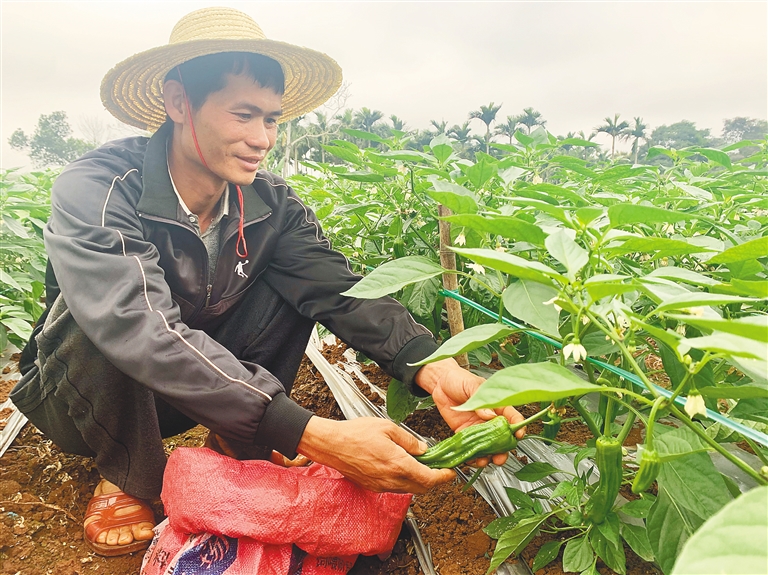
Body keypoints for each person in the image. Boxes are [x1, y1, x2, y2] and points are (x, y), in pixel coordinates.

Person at [10, 6, 525, 557]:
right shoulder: (100, 186)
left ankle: (240, 433)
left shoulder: (271, 204)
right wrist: (309, 433)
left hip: (199, 391)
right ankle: (126, 473)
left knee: (296, 282)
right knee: (105, 309)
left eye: (272, 119)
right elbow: (138, 325)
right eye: (243, 115)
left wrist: (434, 366)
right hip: (84, 398)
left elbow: (338, 291)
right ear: (179, 102)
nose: (262, 139)